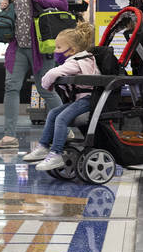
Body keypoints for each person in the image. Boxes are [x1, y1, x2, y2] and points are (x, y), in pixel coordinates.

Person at [0, 0, 68, 150]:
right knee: (11, 87)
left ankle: (65, 128)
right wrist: (8, 5)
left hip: (40, 46)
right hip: (18, 45)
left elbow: (63, 4)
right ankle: (9, 137)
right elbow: (19, 10)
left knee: (46, 90)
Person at [24, 22, 99, 170]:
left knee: (61, 118)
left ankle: (56, 153)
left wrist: (45, 85)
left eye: (59, 47)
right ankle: (44, 146)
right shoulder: (79, 59)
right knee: (53, 113)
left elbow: (53, 73)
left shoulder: (78, 62)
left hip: (88, 99)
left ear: (73, 50)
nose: (55, 50)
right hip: (82, 99)